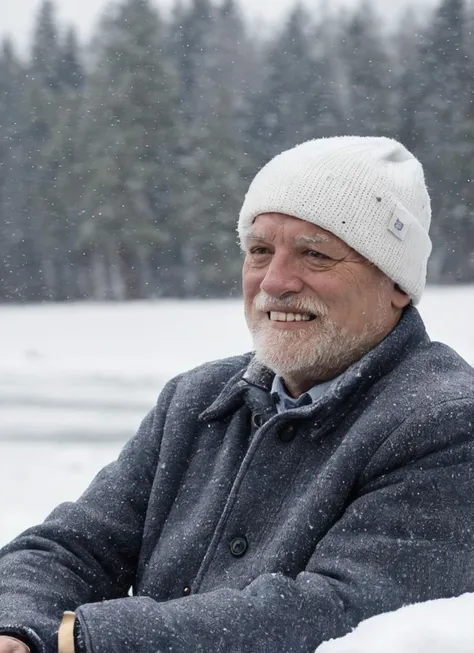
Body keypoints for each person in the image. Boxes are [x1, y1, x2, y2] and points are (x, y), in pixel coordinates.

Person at [0, 136, 473, 653]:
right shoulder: (196, 401)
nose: (275, 282)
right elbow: (70, 548)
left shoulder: (447, 424)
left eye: (315, 254)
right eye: (259, 251)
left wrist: (80, 639)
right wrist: (18, 628)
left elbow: (335, 615)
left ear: (397, 282)